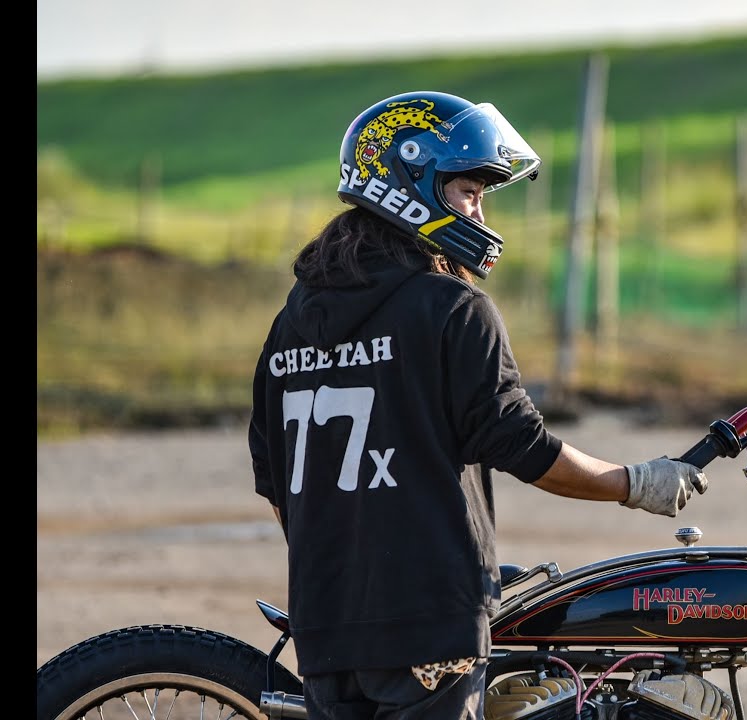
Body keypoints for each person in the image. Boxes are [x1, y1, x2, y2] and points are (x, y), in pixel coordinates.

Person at [247, 90, 708, 720]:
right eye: (469, 191)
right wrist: (634, 483)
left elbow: (279, 488)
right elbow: (523, 446)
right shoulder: (452, 310)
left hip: (327, 627)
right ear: (415, 187)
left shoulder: (289, 324)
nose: (481, 211)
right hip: (428, 628)